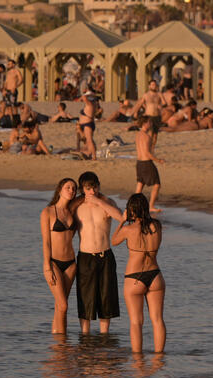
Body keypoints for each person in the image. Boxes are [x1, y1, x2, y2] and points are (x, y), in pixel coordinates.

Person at [71, 171, 126, 334]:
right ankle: (85, 335)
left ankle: (104, 335)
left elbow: (121, 218)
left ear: (99, 186)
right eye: (88, 188)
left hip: (105, 255)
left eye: (95, 187)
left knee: (106, 298)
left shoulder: (107, 202)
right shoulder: (77, 206)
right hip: (85, 257)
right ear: (82, 189)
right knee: (85, 298)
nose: (92, 191)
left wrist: (99, 202)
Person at [112, 193, 166, 354]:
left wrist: (122, 220)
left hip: (134, 278)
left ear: (131, 210)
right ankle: (159, 359)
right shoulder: (157, 226)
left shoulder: (128, 229)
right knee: (157, 320)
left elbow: (113, 241)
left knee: (136, 322)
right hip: (155, 275)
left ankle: (137, 362)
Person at [40, 178, 78, 333]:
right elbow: (46, 242)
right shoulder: (48, 212)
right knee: (63, 305)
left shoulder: (72, 212)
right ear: (60, 190)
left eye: (74, 188)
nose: (71, 190)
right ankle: (63, 343)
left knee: (60, 306)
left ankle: (57, 340)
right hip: (54, 263)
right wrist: (47, 267)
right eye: (68, 187)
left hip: (71, 264)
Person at [135, 115, 164, 213]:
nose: (151, 124)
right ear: (144, 123)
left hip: (139, 163)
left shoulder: (138, 134)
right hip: (146, 163)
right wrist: (158, 160)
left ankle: (134, 205)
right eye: (149, 122)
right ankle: (151, 206)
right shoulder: (146, 136)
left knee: (140, 183)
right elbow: (147, 153)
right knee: (157, 184)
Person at [78, 91, 98, 160]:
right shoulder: (93, 104)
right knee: (88, 141)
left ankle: (94, 156)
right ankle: (90, 153)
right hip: (86, 124)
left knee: (89, 140)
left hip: (87, 124)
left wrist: (85, 93)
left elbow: (83, 98)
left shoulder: (90, 104)